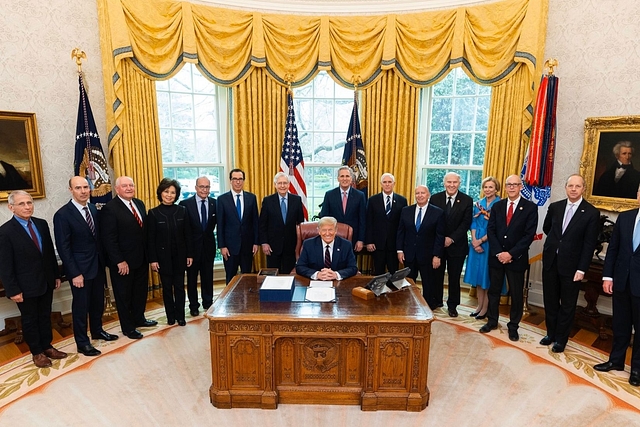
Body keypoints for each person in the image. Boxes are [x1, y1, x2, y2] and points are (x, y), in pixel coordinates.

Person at [0, 190, 67, 368]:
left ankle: (47, 346)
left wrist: (55, 276)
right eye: (22, 204)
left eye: (29, 203)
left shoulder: (41, 224)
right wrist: (13, 290)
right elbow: (5, 265)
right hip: (24, 286)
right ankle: (37, 352)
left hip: (46, 282)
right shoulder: (5, 232)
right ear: (11, 207)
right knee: (30, 320)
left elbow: (48, 255)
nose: (27, 207)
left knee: (44, 316)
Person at [53, 176, 118, 357]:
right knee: (81, 307)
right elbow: (63, 247)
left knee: (97, 303)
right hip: (79, 271)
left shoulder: (93, 209)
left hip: (97, 266)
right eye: (78, 188)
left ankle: (97, 330)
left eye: (85, 187)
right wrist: (74, 273)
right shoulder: (62, 215)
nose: (83, 191)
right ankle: (82, 342)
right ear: (71, 190)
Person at [540, 174, 599, 353]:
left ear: (583, 189)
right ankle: (550, 333)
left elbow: (590, 244)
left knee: (567, 304)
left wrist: (582, 269)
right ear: (566, 187)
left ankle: (560, 339)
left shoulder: (591, 212)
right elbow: (547, 228)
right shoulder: (556, 207)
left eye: (577, 186)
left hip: (572, 267)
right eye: (570, 185)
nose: (573, 189)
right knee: (550, 301)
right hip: (551, 262)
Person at [480, 175, 537, 342]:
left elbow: (529, 235)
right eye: (509, 185)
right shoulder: (497, 206)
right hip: (496, 257)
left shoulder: (530, 208)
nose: (512, 187)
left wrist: (510, 254)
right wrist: (499, 253)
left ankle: (513, 327)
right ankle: (492, 321)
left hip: (516, 258)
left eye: (515, 184)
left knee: (516, 294)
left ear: (521, 187)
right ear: (505, 187)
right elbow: (491, 230)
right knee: (494, 291)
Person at [594, 184, 640, 387]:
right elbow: (613, 249)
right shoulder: (626, 217)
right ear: (637, 194)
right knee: (620, 324)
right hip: (621, 281)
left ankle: (637, 369)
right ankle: (616, 361)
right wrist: (608, 277)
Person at [101, 176, 157, 340]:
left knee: (139, 292)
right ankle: (128, 327)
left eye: (131, 185)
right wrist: (119, 261)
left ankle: (139, 319)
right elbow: (109, 239)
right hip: (123, 262)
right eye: (124, 186)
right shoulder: (110, 209)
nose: (128, 188)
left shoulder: (139, 203)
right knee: (123, 296)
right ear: (117, 189)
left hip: (141, 258)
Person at [148, 178, 193, 326]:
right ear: (160, 193)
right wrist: (153, 260)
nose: (169, 195)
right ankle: (170, 317)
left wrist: (189, 255)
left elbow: (188, 235)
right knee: (167, 289)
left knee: (179, 288)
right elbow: (151, 239)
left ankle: (180, 316)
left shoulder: (182, 211)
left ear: (177, 195)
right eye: (166, 191)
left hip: (180, 257)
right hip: (162, 259)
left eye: (173, 192)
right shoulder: (153, 213)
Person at [429, 172, 473, 316]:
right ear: (444, 183)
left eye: (455, 182)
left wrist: (451, 238)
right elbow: (432, 221)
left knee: (454, 278)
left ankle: (453, 305)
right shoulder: (435, 198)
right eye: (449, 182)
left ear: (459, 183)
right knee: (436, 275)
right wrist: (441, 239)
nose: (452, 185)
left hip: (457, 246)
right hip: (438, 245)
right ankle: (436, 300)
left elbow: (466, 223)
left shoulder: (467, 200)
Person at [396, 185, 445, 309]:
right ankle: (409, 304)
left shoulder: (437, 212)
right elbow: (401, 232)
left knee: (428, 283)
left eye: (423, 193)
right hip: (409, 254)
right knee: (408, 283)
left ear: (428, 195)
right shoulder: (406, 210)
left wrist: (437, 255)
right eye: (417, 193)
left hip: (428, 255)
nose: (420, 195)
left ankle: (427, 307)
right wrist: (400, 250)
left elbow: (440, 236)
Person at [463, 176, 501, 320]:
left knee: (486, 277)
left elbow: (497, 227)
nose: (487, 189)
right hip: (475, 242)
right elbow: (472, 223)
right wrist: (474, 240)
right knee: (478, 278)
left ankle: (486, 308)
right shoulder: (478, 204)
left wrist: (481, 241)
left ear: (496, 189)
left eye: (491, 187)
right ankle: (479, 306)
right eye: (485, 187)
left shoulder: (500, 204)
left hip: (490, 243)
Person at [180, 176, 216, 316]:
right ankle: (193, 305)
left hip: (208, 248)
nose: (204, 190)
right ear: (195, 188)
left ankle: (208, 302)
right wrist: (187, 252)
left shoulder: (214, 203)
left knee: (208, 277)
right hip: (191, 250)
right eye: (201, 187)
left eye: (207, 187)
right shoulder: (185, 204)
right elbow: (183, 230)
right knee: (192, 279)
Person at [217, 168, 259, 284]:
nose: (238, 182)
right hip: (230, 247)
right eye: (235, 179)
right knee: (230, 278)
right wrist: (222, 246)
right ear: (230, 181)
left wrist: (256, 242)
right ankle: (230, 301)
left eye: (240, 179)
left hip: (247, 246)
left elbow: (255, 221)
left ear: (244, 181)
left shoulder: (251, 198)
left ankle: (247, 302)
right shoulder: (222, 199)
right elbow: (220, 225)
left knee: (247, 277)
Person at [259, 172, 304, 273]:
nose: (282, 186)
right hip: (272, 246)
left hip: (291, 245)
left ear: (289, 185)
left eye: (285, 183)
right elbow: (262, 224)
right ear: (275, 185)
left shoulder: (296, 200)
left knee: (289, 274)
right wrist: (264, 243)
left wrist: (300, 245)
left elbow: (300, 224)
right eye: (279, 183)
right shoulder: (267, 201)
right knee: (273, 275)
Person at [365, 173, 408, 275]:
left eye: (389, 182)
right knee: (378, 273)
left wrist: (401, 246)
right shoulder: (372, 200)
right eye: (385, 182)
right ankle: (379, 291)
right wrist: (369, 241)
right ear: (381, 184)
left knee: (394, 274)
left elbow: (404, 224)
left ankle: (392, 291)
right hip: (377, 245)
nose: (387, 184)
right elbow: (369, 221)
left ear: (394, 184)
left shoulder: (402, 201)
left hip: (394, 245)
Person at [319, 166, 366, 252]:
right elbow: (324, 218)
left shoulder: (360, 196)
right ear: (338, 178)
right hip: (333, 237)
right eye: (342, 176)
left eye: (347, 176)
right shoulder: (329, 195)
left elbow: (363, 219)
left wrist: (361, 240)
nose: (345, 179)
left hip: (353, 239)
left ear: (351, 178)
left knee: (350, 263)